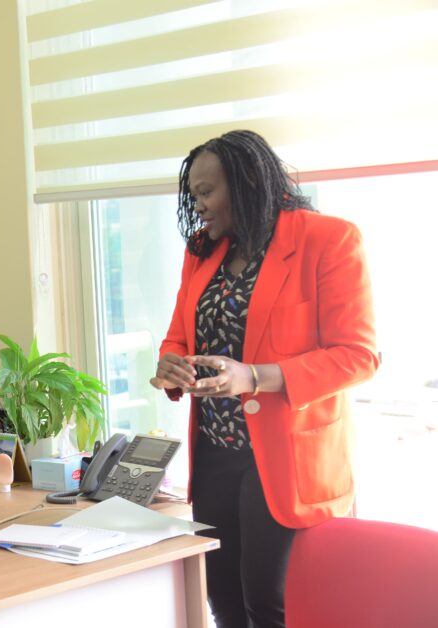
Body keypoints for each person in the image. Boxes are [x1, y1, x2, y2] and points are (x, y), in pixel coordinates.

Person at [150, 130, 378, 627]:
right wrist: (172, 364)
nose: (199, 205)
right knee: (223, 600)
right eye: (194, 195)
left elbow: (358, 355)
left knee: (270, 604)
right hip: (215, 454)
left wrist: (254, 376)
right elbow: (178, 334)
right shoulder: (201, 251)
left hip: (285, 458)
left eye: (207, 192)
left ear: (249, 179)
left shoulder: (328, 239)